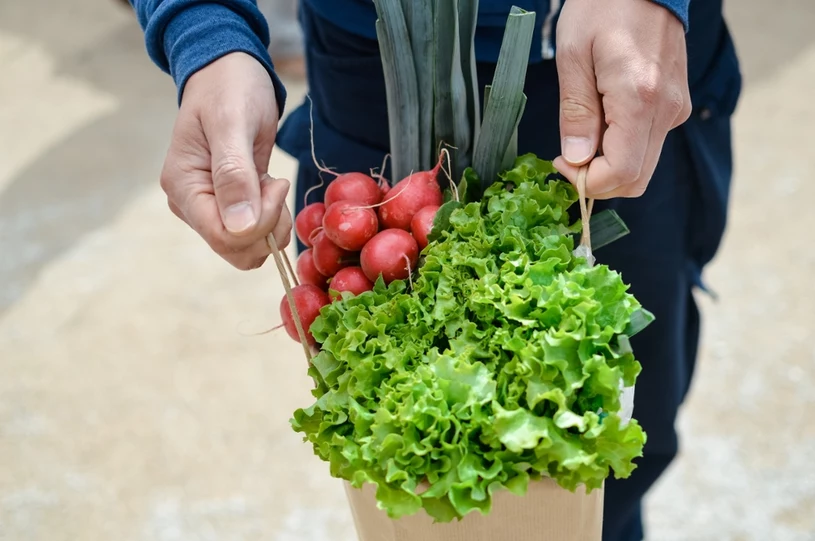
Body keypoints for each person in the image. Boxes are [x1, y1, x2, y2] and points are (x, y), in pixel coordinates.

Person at [128, 1, 742, 539]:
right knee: (410, 493)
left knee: (615, 456)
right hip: (380, 52)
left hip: (617, 42)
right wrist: (205, 29)